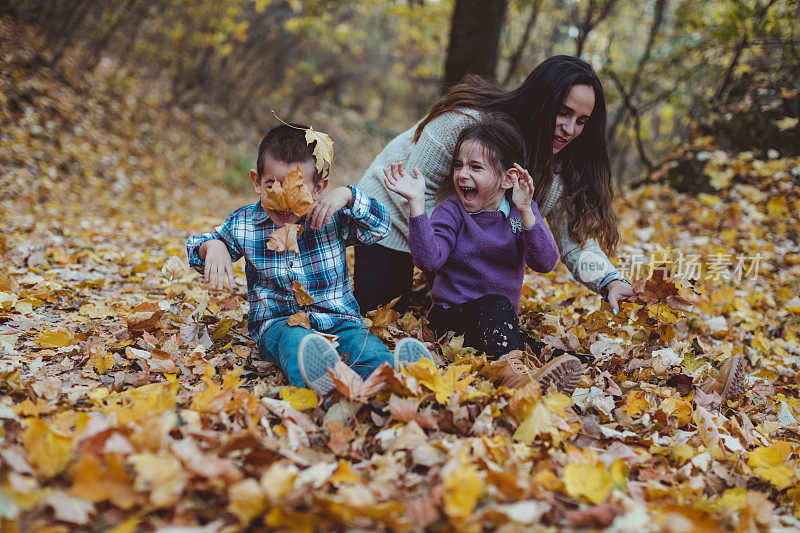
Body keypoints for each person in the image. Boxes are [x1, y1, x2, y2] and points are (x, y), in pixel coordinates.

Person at [355, 55, 634, 314]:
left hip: (447, 238)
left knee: (476, 317)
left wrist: (610, 281)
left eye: (581, 121)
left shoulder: (558, 170)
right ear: (541, 101)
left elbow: (576, 244)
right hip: (389, 214)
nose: (570, 129)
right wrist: (459, 249)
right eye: (563, 112)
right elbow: (417, 190)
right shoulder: (467, 122)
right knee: (382, 315)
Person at [187, 124, 431, 396]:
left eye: (298, 188)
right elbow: (194, 248)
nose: (284, 200)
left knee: (365, 348)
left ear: (319, 188)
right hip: (278, 324)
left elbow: (381, 228)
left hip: (339, 320)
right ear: (257, 181)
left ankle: (396, 378)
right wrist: (213, 246)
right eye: (272, 185)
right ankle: (321, 381)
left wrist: (349, 196)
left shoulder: (331, 216)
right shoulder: (245, 223)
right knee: (295, 342)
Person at [384, 115, 583, 394]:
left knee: (538, 345)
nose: (463, 174)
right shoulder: (451, 211)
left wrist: (526, 211)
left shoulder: (521, 212)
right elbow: (429, 260)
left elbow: (546, 262)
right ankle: (516, 381)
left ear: (507, 179)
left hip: (497, 323)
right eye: (458, 165)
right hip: (450, 320)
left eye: (475, 167)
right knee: (497, 308)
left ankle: (554, 371)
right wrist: (417, 205)